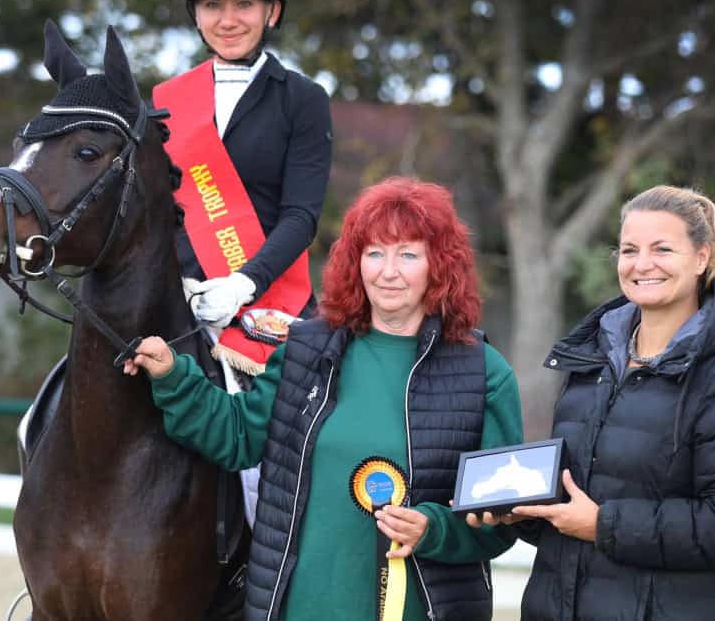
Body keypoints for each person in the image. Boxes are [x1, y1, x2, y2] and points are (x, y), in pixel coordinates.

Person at [123, 177, 524, 621]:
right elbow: (237, 436)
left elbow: (501, 522)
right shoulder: (306, 349)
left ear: (440, 266)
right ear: (356, 262)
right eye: (375, 253)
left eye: (408, 255)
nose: (388, 272)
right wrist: (173, 375)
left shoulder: (484, 372)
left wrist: (435, 529)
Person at [471, 184, 715, 620]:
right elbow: (581, 501)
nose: (642, 264)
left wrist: (604, 526)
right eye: (629, 250)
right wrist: (523, 511)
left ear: (701, 258)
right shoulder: (592, 362)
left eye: (662, 249)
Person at [153, 0, 332, 332]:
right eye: (212, 4)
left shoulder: (303, 99)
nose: (228, 20)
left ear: (273, 11)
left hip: (265, 297)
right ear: (195, 14)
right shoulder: (166, 101)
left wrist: (241, 285)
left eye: (244, 3)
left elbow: (300, 216)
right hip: (171, 296)